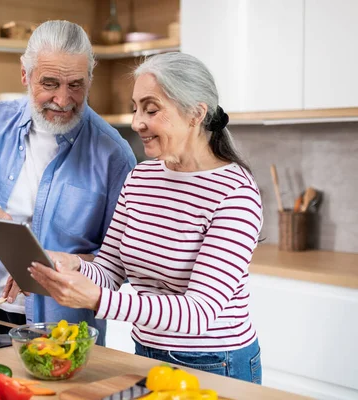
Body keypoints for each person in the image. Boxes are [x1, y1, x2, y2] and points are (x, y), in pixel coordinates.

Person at [27, 52, 263, 383]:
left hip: (214, 362)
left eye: (151, 110)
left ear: (196, 113)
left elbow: (200, 313)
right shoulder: (141, 178)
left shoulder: (235, 193)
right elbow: (109, 270)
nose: (137, 122)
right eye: (135, 108)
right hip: (146, 353)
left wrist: (98, 301)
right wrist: (68, 265)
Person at [0, 20, 137, 345]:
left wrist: (61, 264)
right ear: (25, 75)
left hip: (61, 338)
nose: (63, 98)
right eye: (50, 82)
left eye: (76, 85)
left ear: (90, 80)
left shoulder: (115, 155)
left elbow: (120, 263)